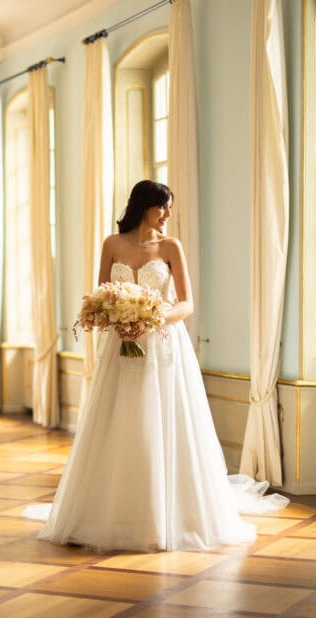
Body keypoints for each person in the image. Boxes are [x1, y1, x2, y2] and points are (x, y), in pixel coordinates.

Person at [30, 180, 287, 552]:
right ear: (144, 207)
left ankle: (166, 514)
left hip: (163, 346)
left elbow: (187, 304)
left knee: (161, 420)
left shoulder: (170, 247)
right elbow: (101, 297)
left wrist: (152, 319)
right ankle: (109, 509)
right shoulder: (112, 244)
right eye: (163, 207)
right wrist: (116, 319)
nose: (168, 214)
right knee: (119, 421)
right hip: (120, 348)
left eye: (169, 208)